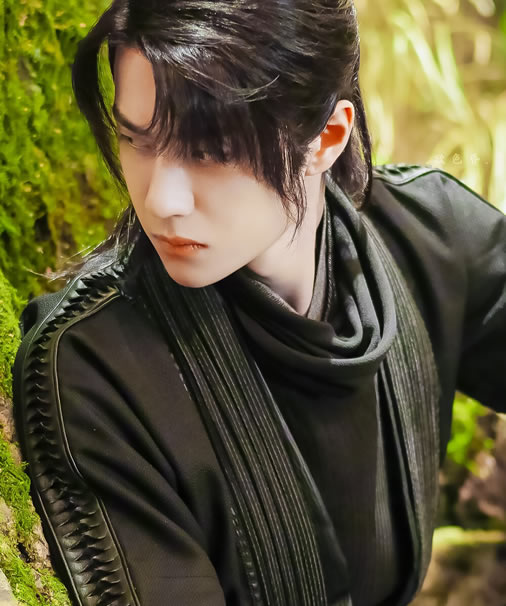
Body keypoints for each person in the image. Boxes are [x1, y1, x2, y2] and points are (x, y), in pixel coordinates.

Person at [11, 1, 506, 605]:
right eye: (135, 139)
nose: (162, 199)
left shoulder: (428, 238)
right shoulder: (96, 366)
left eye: (210, 150)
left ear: (327, 137)